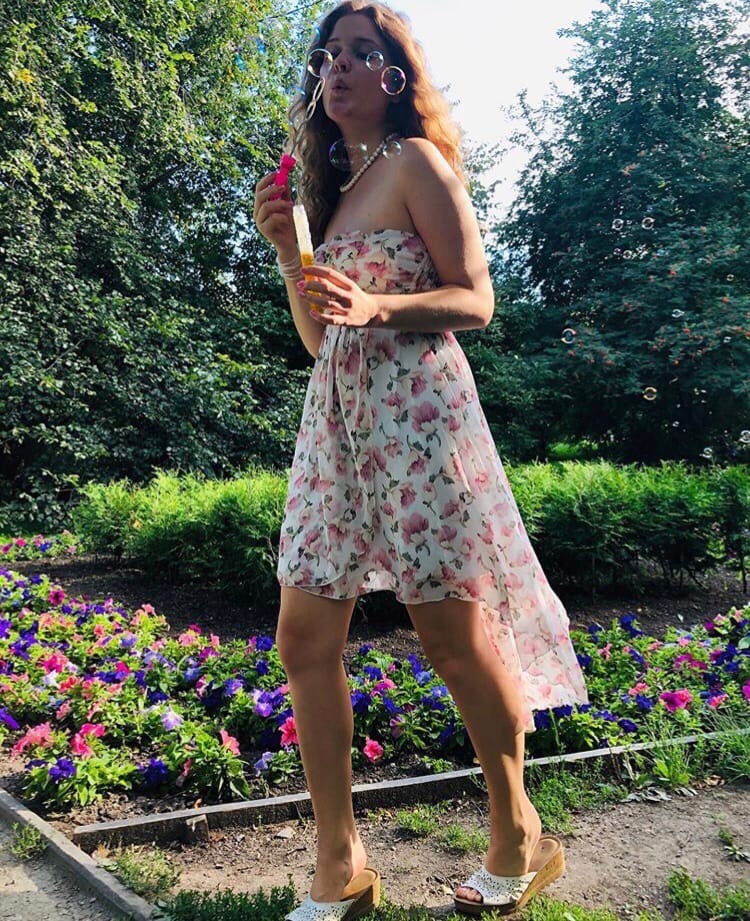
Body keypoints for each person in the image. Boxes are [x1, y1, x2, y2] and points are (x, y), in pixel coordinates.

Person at [253, 2, 590, 918]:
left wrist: (381, 308)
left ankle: (518, 832)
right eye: (329, 54)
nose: (338, 66)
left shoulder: (415, 163)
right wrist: (289, 250)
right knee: (303, 638)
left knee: (451, 635)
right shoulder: (335, 190)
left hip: (420, 421)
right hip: (338, 427)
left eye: (362, 52)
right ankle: (340, 864)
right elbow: (320, 336)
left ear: (397, 75)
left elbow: (476, 300)